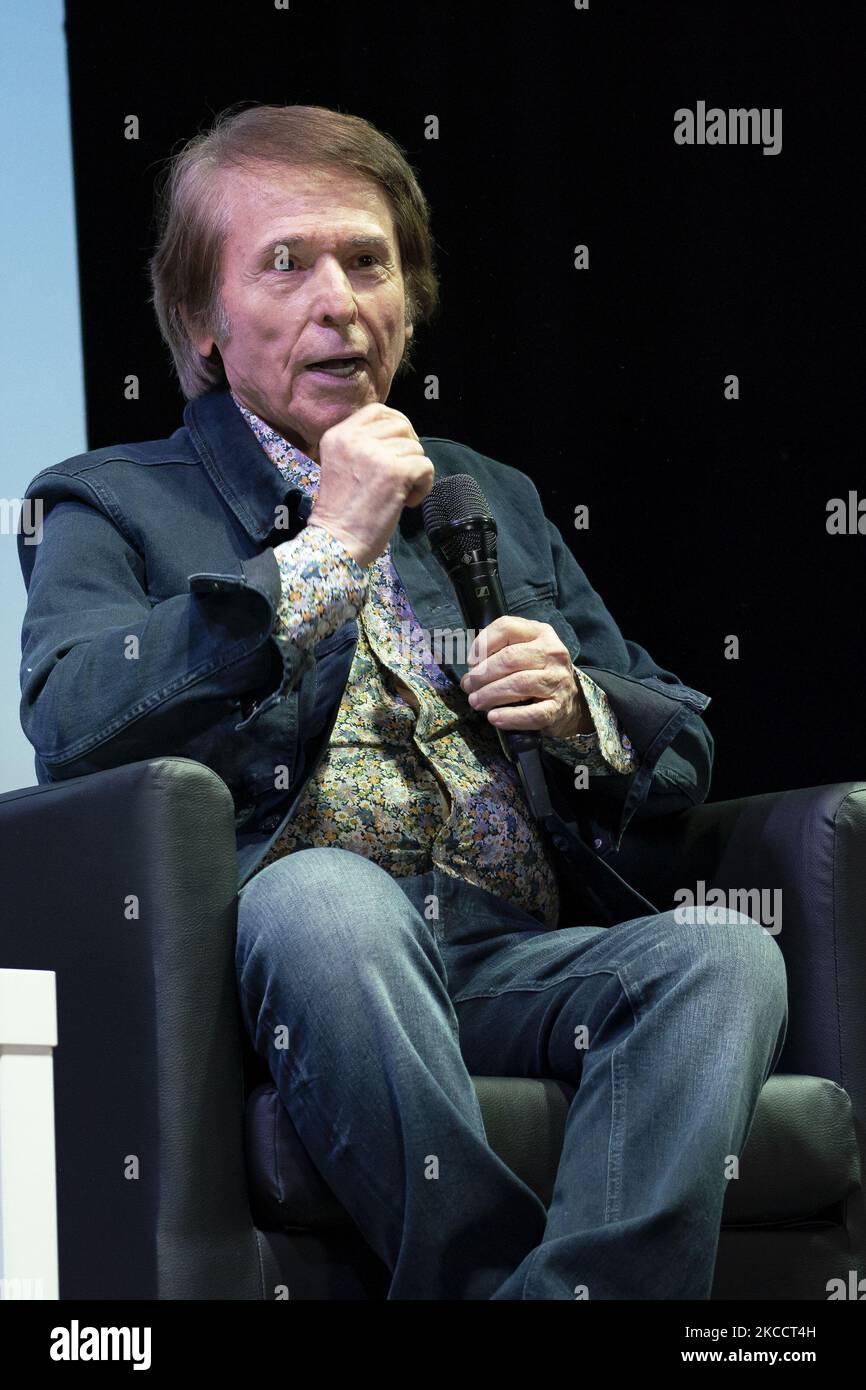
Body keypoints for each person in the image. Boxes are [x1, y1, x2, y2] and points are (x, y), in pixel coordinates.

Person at [16, 102, 788, 1300]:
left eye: (367, 262)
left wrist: (579, 707)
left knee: (723, 955)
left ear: (409, 299)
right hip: (297, 970)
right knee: (327, 898)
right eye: (285, 263)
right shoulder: (107, 502)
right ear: (201, 327)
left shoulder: (487, 494)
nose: (340, 301)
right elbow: (70, 723)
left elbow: (676, 738)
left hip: (504, 957)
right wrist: (324, 551)